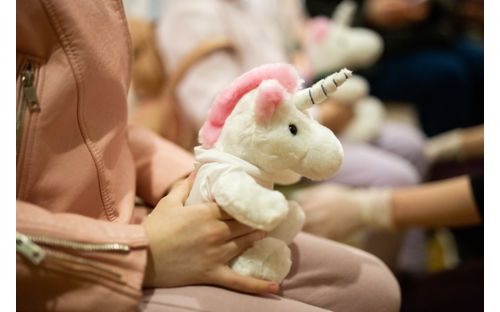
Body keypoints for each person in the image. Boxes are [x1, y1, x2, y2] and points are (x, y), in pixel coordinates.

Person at [16, 1, 401, 311]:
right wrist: (135, 254)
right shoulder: (192, 13)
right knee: (391, 174)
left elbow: (99, 125)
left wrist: (191, 176)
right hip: (60, 252)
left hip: (138, 204)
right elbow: (215, 107)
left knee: (375, 288)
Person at [155, 0, 427, 187]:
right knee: (396, 177)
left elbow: (288, 58)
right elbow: (216, 114)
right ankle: (404, 269)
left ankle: (409, 263)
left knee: (412, 144)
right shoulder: (191, 14)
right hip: (266, 146)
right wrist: (320, 114)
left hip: (297, 112)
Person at [305, 0, 484, 136]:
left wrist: (428, 6)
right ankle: (449, 161)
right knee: (447, 74)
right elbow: (318, 15)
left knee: (481, 62)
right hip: (370, 53)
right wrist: (367, 12)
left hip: (429, 32)